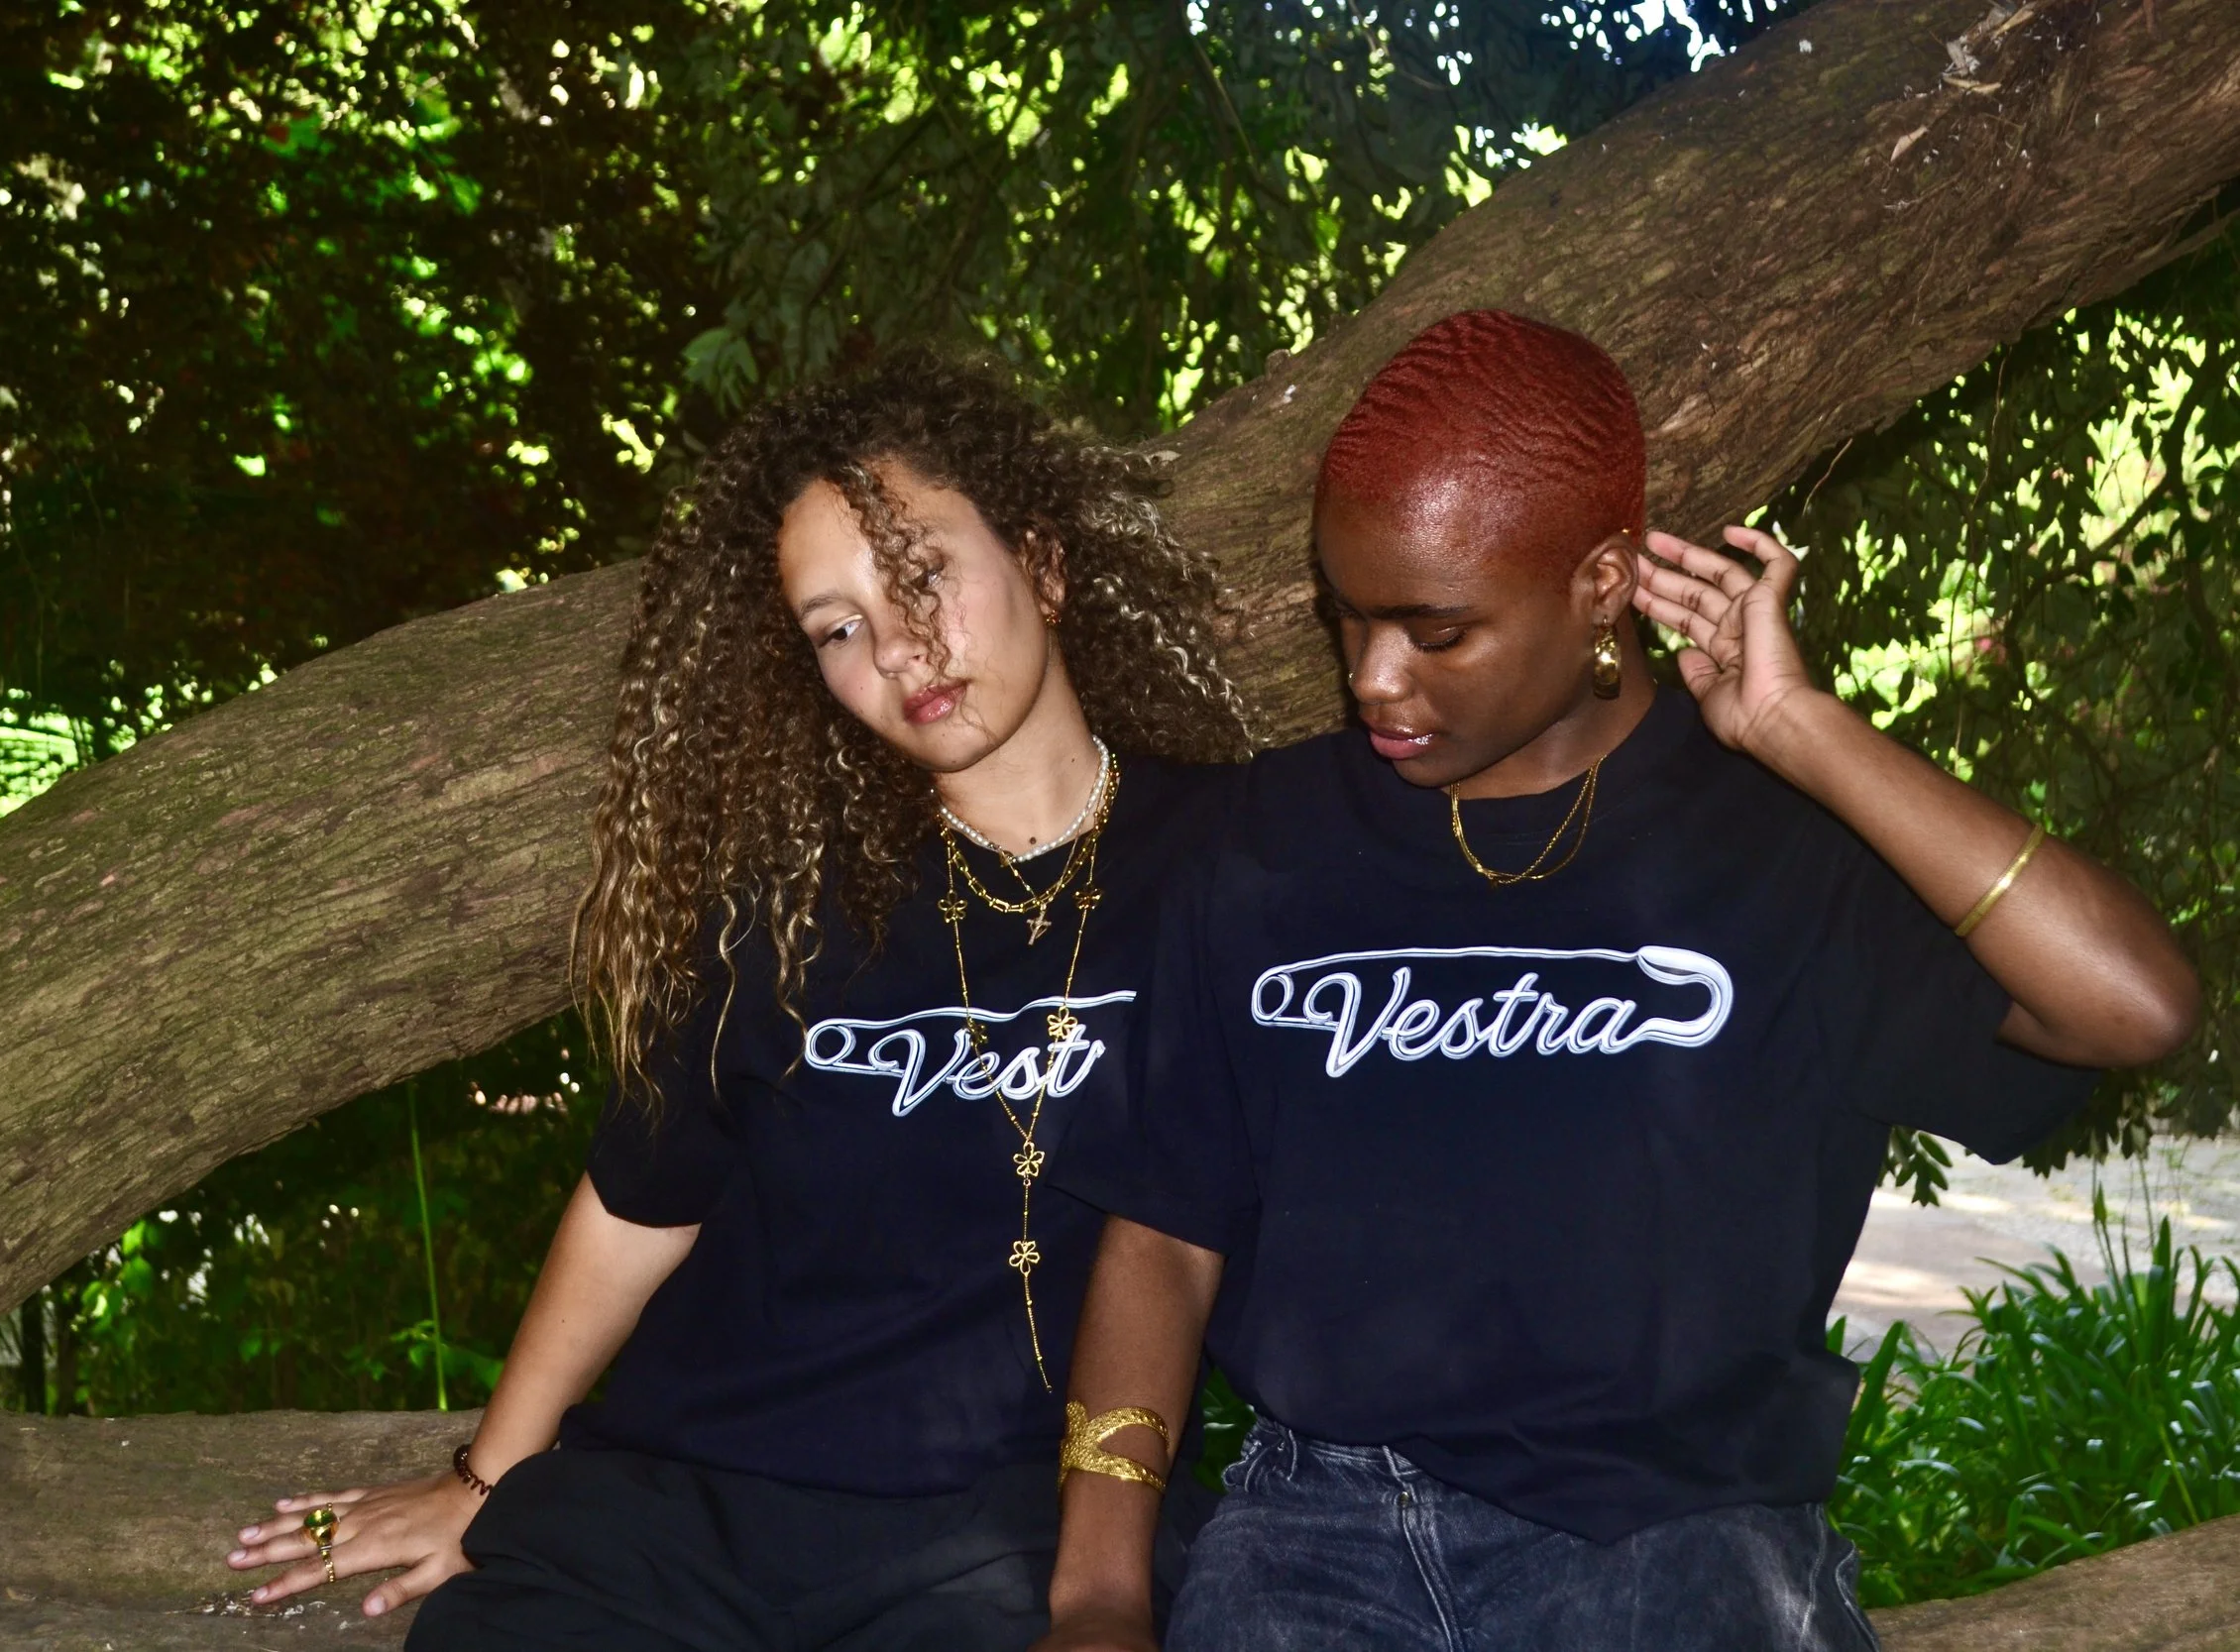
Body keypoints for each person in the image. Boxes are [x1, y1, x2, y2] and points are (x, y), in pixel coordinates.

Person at [1034, 309, 2200, 1652]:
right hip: (1316, 1537)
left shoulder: (1776, 846)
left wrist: (1800, 730)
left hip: (1677, 1531)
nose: (1372, 676)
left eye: (1436, 630)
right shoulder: (1262, 845)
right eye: (1347, 617)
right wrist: (1102, 1591)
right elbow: (1163, 1233)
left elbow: (2135, 1001)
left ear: (1600, 582)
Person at [220, 348, 1248, 1650]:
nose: (898, 648)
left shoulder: (1233, 862)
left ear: (1042, 561)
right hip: (691, 1511)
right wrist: (481, 1480)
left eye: (922, 572)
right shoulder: (802, 900)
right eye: (837, 626)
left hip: (1014, 1526)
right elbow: (641, 1198)